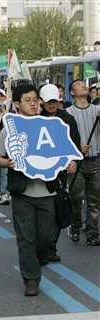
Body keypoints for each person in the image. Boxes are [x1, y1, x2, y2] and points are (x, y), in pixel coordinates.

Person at [0, 83, 60, 296]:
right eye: (28, 100)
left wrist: (70, 164)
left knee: (45, 238)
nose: (33, 104)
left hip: (47, 192)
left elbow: (65, 154)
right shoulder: (10, 130)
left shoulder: (52, 126)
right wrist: (8, 163)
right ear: (17, 104)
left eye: (35, 99)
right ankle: (31, 279)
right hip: (22, 192)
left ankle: (39, 258)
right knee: (26, 238)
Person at [39, 83, 80, 261]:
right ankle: (42, 247)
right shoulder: (36, 119)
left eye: (54, 101)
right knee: (44, 211)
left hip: (61, 171)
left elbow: (75, 142)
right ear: (42, 102)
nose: (51, 104)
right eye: (48, 102)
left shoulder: (67, 119)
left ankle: (51, 248)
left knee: (57, 208)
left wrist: (73, 161)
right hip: (40, 170)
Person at [66, 80, 100, 246]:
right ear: (72, 92)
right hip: (76, 163)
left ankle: (93, 232)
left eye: (85, 85)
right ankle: (75, 225)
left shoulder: (97, 110)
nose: (84, 86)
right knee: (76, 198)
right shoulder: (67, 113)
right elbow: (63, 138)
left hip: (95, 160)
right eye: (80, 84)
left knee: (94, 200)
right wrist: (77, 146)